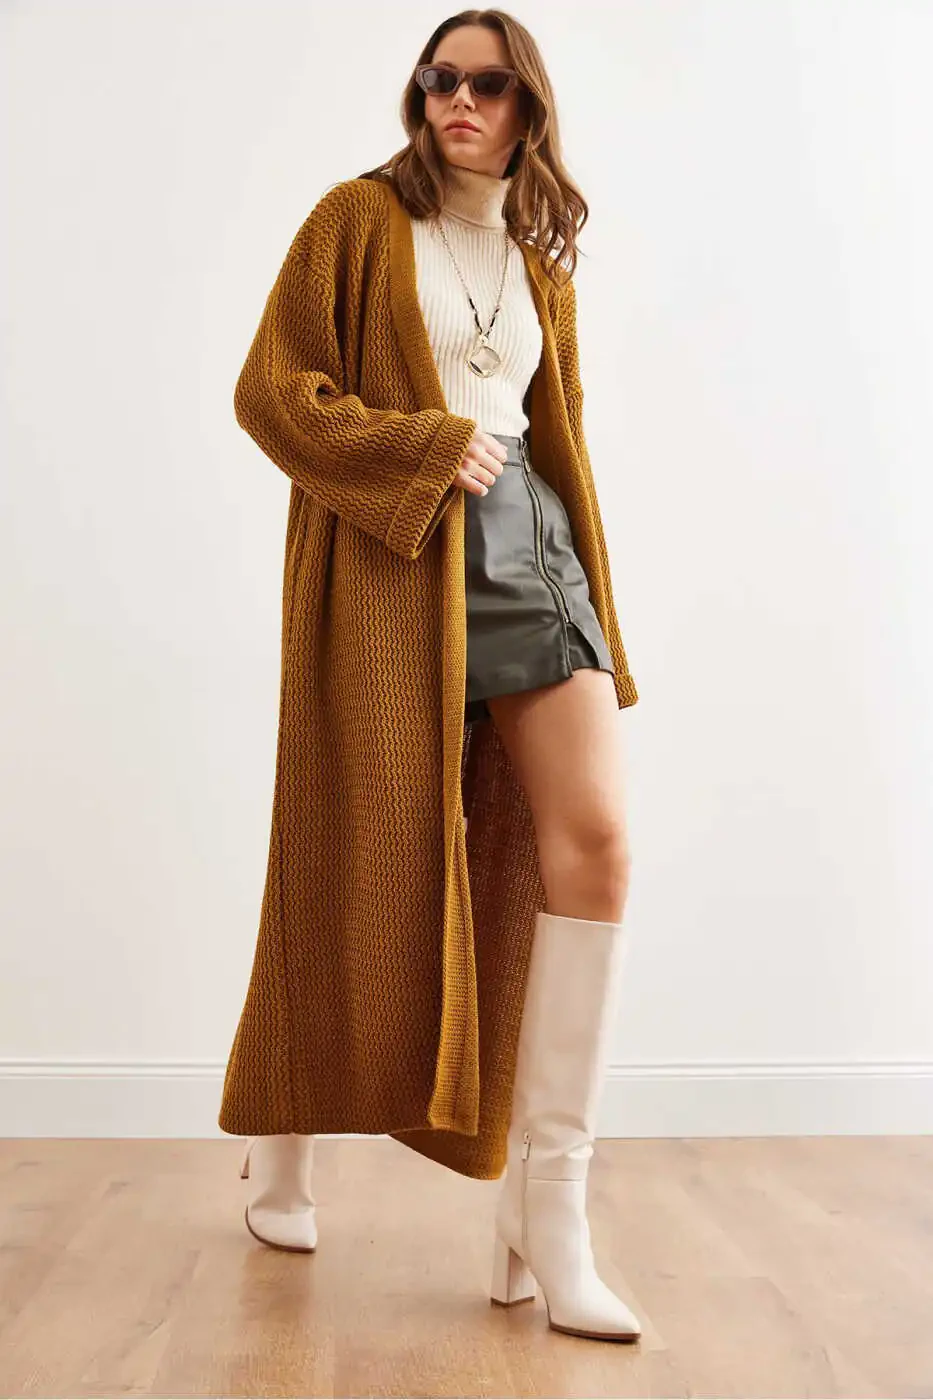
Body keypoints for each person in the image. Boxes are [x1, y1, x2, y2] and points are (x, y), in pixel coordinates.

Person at [220, 9, 642, 1343]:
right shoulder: (354, 222)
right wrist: (413, 447)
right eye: (440, 79)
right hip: (394, 562)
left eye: (488, 83)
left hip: (531, 552)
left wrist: (591, 584)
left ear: (529, 106)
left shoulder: (539, 251)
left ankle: (548, 1207)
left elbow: (555, 431)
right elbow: (271, 391)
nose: (460, 99)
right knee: (357, 858)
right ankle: (282, 1141)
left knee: (595, 847)